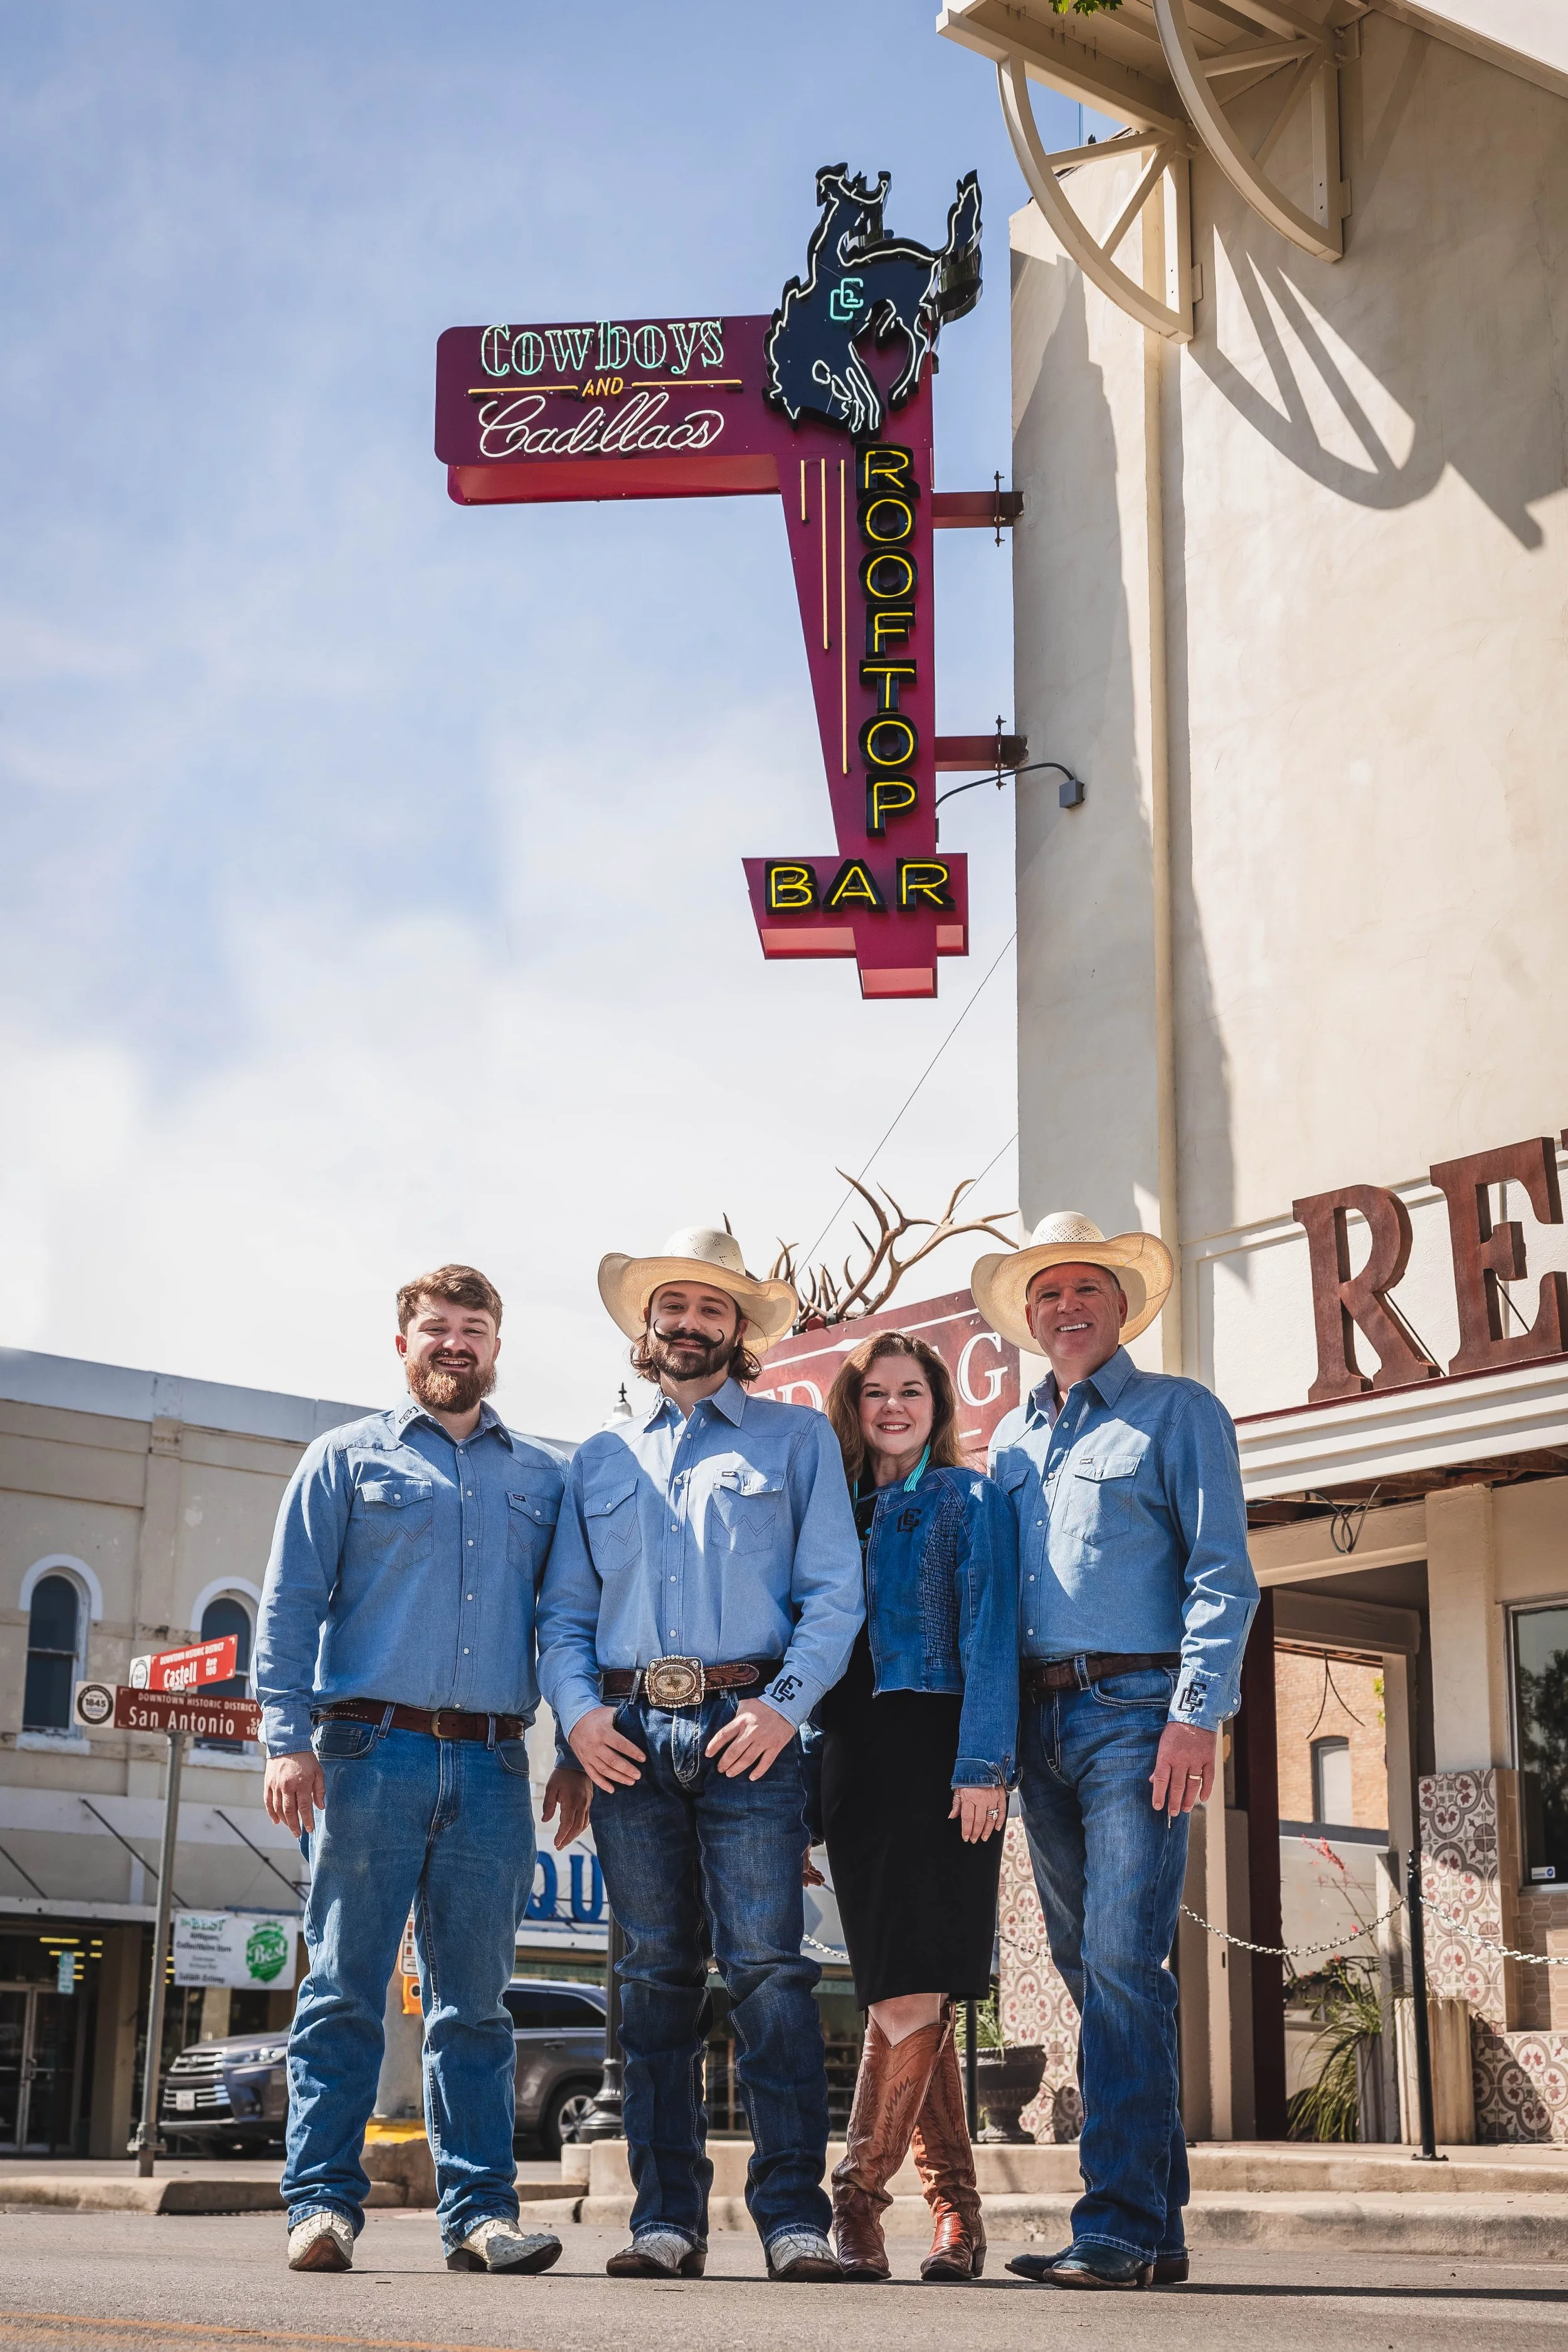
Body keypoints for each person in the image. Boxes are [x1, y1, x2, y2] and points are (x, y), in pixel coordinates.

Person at [536, 1227, 864, 2284]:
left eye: (711, 1310)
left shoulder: (793, 1440)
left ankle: (790, 2220)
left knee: (772, 1973)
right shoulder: (596, 1458)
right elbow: (564, 1615)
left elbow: (835, 1598)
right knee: (651, 1978)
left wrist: (782, 1709)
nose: (689, 1324)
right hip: (630, 1738)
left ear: (740, 1329)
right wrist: (579, 1720)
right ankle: (666, 2219)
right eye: (672, 1308)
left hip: (750, 1733)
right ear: (649, 1326)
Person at [255, 1264, 591, 2277]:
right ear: (403, 1344)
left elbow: (569, 1622)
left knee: (477, 2005)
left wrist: (572, 1748)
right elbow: (288, 1605)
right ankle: (320, 2207)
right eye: (436, 1327)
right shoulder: (342, 1459)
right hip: (365, 1752)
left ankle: (482, 2215)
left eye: (474, 1328)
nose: (456, 1343)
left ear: (498, 1346)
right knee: (345, 1990)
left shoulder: (542, 1476)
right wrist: (284, 1735)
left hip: (493, 1761)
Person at [973, 1211, 1258, 2292]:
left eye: (1086, 1289)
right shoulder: (1006, 1442)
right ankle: (1156, 2230)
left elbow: (1223, 1573)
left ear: (1121, 1306)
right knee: (1093, 1971)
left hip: (1139, 1714)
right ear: (1030, 1318)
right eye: (1047, 1294)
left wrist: (1198, 1710)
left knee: (1125, 1962)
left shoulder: (1178, 1413)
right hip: (1037, 1727)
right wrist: (988, 1745)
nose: (1067, 1308)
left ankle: (1119, 2224)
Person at [815, 1330, 1018, 2284]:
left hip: (943, 1756)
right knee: (913, 1988)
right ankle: (958, 2219)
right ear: (853, 1408)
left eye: (911, 1391)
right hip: (854, 1762)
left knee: (910, 1990)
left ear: (938, 1403)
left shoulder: (969, 1499)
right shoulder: (832, 1509)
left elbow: (989, 1633)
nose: (893, 1407)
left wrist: (985, 1764)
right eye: (875, 1393)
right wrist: (804, 1798)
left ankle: (856, 2201)